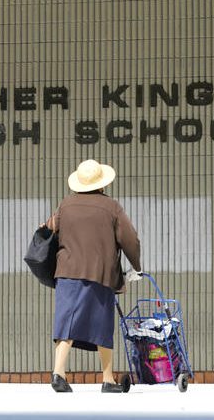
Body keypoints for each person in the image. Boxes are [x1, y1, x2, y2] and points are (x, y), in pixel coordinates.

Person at [45, 159, 142, 393]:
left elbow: (49, 226)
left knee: (66, 320)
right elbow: (130, 239)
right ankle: (108, 379)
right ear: (102, 184)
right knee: (101, 323)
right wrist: (136, 266)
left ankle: (58, 373)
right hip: (100, 273)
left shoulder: (65, 205)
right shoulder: (111, 207)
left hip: (67, 271)